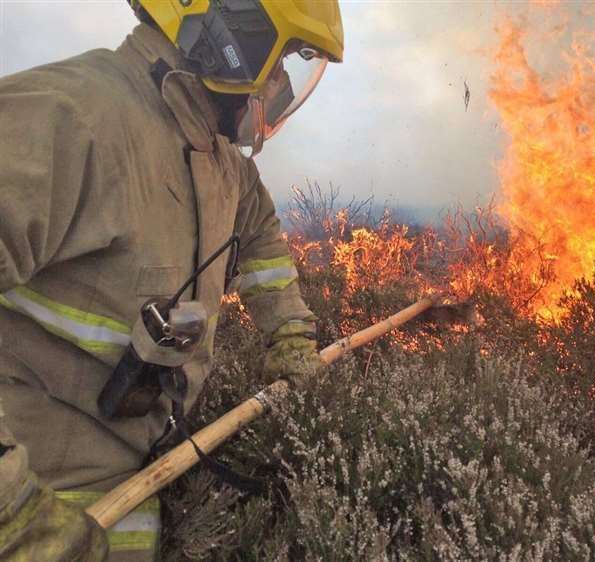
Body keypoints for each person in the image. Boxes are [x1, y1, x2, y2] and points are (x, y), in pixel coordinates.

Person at [0, 1, 344, 559]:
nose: (280, 85)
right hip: (41, 494)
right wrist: (12, 512)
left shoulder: (223, 161)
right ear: (235, 33)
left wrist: (290, 335)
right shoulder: (72, 115)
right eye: (281, 61)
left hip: (133, 486)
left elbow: (260, 237)